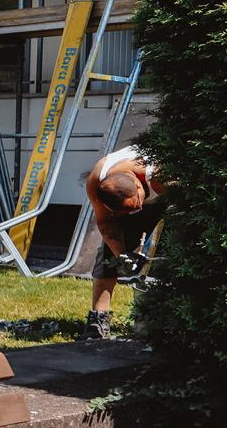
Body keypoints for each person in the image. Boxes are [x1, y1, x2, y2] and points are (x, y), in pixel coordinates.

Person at [85, 143, 168, 339]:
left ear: (139, 185)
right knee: (107, 256)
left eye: (136, 205)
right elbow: (106, 225)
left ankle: (160, 318)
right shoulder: (96, 182)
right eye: (127, 210)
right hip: (128, 199)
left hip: (165, 199)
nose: (135, 211)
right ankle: (98, 319)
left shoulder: (158, 174)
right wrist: (122, 255)